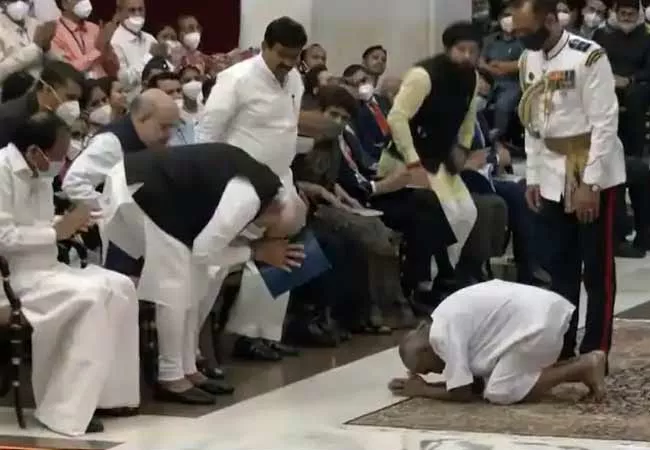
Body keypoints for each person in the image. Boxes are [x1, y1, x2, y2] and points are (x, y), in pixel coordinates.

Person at [99, 143, 304, 403]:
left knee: (195, 280)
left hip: (159, 193)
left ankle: (188, 369)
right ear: (274, 215)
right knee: (174, 282)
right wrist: (256, 252)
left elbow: (206, 254)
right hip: (142, 189)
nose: (264, 236)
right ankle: (170, 377)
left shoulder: (268, 192)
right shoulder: (248, 200)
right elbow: (204, 252)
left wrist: (253, 249)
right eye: (272, 234)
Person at [0, 112, 139, 435]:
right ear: (35, 151)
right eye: (59, 156)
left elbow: (36, 226)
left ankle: (107, 396)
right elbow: (3, 237)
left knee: (119, 286)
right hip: (12, 279)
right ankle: (62, 410)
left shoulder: (39, 173)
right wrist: (57, 232)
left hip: (45, 268)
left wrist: (67, 224)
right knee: (88, 297)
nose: (61, 164)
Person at [512, 0, 625, 363]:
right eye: (517, 32)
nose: (521, 38)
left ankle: (596, 351)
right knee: (559, 266)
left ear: (549, 20)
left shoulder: (588, 57)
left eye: (527, 31)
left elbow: (605, 123)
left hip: (593, 169)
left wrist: (591, 184)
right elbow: (531, 120)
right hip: (550, 171)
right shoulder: (528, 59)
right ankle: (561, 347)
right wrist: (532, 175)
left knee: (595, 268)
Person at [195, 16, 308, 360]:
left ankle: (258, 334)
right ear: (265, 47)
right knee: (223, 259)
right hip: (238, 185)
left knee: (287, 251)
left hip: (279, 181)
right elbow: (207, 135)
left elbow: (287, 128)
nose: (288, 64)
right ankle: (202, 344)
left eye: (295, 56)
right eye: (282, 55)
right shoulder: (235, 79)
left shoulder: (295, 79)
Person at [390, 280, 607, 404]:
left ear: (428, 350)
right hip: (543, 315)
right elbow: (473, 384)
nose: (435, 373)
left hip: (535, 328)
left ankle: (583, 367)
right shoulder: (441, 317)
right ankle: (583, 364)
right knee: (494, 381)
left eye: (427, 368)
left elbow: (462, 392)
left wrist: (423, 390)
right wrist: (428, 385)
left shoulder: (440, 337)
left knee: (500, 392)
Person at [380, 21, 479, 280]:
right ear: (448, 49)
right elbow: (397, 119)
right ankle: (431, 279)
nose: (467, 56)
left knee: (468, 213)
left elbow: (469, 117)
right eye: (461, 49)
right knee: (447, 214)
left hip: (441, 159)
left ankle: (448, 274)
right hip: (405, 161)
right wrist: (413, 163)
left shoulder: (473, 77)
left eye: (473, 50)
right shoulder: (423, 75)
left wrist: (463, 147)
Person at [62, 88, 178, 210]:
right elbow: (74, 184)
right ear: (142, 118)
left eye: (172, 126)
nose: (169, 134)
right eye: (164, 127)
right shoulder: (110, 143)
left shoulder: (151, 141)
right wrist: (116, 211)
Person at [593, 0, 650, 159]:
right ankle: (603, 151)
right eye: (622, 14)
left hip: (637, 84)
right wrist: (610, 79)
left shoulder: (647, 38)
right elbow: (593, 64)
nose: (626, 18)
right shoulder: (603, 36)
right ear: (616, 14)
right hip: (608, 82)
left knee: (635, 97)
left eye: (631, 14)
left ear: (638, 15)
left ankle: (633, 154)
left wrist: (629, 80)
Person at [0, 60, 83, 147]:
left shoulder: (48, 120)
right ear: (47, 89)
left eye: (77, 100)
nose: (74, 104)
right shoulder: (9, 119)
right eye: (70, 97)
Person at [479, 6, 525, 142]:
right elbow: (480, 61)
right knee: (473, 102)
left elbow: (522, 63)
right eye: (505, 15)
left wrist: (498, 66)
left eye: (512, 15)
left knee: (503, 104)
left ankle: (499, 139)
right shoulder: (490, 40)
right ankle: (479, 139)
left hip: (514, 84)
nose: (508, 19)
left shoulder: (523, 41)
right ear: (499, 19)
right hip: (490, 82)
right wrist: (489, 70)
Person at [51, 0, 119, 78]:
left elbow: (113, 69)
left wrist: (108, 50)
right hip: (79, 86)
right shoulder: (54, 33)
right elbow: (67, 70)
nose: (86, 1)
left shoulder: (94, 28)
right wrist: (97, 51)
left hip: (105, 84)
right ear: (64, 4)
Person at [109, 0, 162, 98]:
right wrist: (149, 57)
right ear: (119, 13)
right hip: (133, 102)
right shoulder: (114, 42)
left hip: (158, 94)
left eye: (140, 10)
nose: (137, 14)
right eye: (132, 10)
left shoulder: (150, 38)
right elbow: (124, 81)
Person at [0, 0, 57, 83]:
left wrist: (47, 48)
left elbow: (57, 64)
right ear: (2, 3)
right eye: (13, 0)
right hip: (12, 92)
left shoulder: (37, 24)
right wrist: (35, 48)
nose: (19, 3)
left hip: (42, 89)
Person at [146, 71, 195, 146]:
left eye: (179, 91)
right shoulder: (151, 133)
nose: (178, 96)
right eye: (169, 92)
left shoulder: (193, 123)